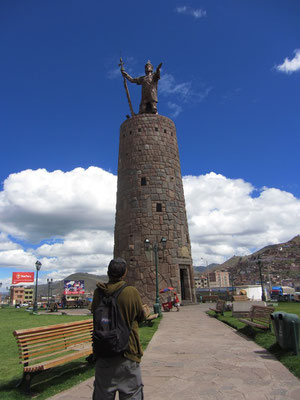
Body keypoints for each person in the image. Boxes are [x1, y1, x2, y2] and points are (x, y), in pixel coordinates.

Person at [91, 258, 145, 400]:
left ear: (108, 272)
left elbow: (94, 313)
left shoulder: (98, 293)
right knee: (132, 393)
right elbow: (141, 316)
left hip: (103, 351)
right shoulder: (131, 292)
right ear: (125, 273)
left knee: (102, 394)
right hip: (127, 352)